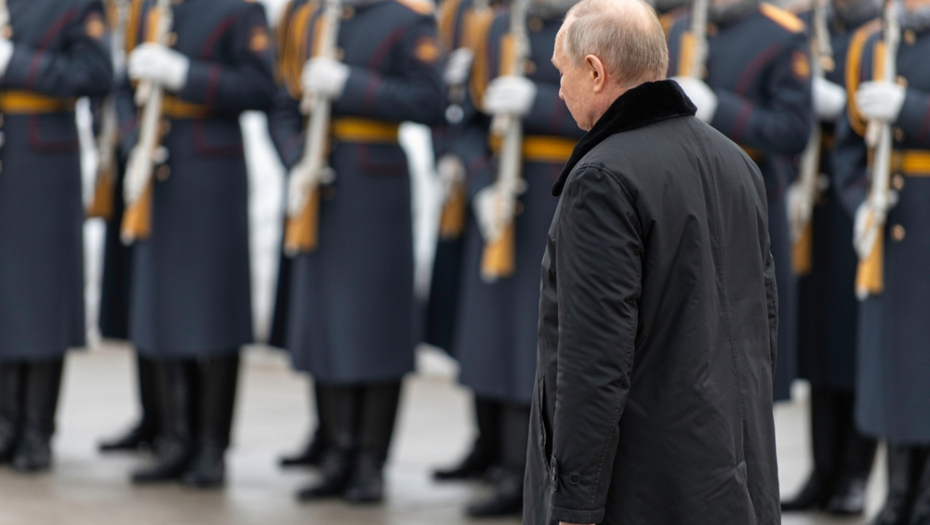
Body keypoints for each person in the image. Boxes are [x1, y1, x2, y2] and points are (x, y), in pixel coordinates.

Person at [525, 0, 782, 523]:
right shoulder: (736, 162)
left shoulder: (602, 178)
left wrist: (573, 505)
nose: (559, 89)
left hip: (643, 488)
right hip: (733, 477)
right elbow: (762, 330)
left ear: (595, 71)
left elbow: (594, 359)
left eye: (562, 72)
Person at [269, 0, 443, 504]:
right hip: (318, 187)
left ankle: (370, 460)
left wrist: (350, 84)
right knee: (325, 325)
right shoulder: (313, 17)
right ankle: (337, 453)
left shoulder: (407, 22)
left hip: (374, 191)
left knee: (375, 330)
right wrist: (296, 158)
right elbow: (285, 102)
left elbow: (428, 100)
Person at [118, 0, 276, 487]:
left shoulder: (239, 10)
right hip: (159, 169)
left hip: (211, 174)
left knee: (214, 315)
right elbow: (123, 88)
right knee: (165, 310)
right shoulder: (150, 6)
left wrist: (185, 74)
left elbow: (260, 87)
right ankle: (176, 438)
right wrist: (134, 142)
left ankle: (212, 445)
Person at [444, 0, 584, 516]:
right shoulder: (499, 26)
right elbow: (469, 123)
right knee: (494, 337)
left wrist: (540, 103)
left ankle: (527, 468)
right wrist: (481, 185)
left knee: (536, 339)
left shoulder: (596, 26)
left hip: (562, 191)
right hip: (502, 198)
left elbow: (615, 111)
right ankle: (497, 456)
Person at [667, 0, 813, 403]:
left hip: (749, 205)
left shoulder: (782, 34)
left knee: (745, 357)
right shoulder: (676, 27)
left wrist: (719, 108)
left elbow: (793, 131)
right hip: (684, 197)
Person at [0, 0, 112, 472]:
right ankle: (6, 423)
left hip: (42, 162)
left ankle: (37, 427)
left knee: (40, 299)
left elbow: (94, 75)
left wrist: (14, 62)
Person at [780, 0, 880, 515]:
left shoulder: (878, 33)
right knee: (819, 345)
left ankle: (856, 472)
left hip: (857, 204)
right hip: (817, 204)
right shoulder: (809, 28)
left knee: (855, 346)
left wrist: (842, 105)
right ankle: (822, 470)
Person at [833, 1, 930, 522]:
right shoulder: (869, 44)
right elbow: (849, 149)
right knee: (897, 372)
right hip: (891, 232)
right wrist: (860, 204)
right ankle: (897, 495)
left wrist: (911, 109)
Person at [94, 0, 161, 456]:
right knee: (139, 291)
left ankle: (177, 424)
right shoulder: (136, 6)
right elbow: (120, 84)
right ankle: (152, 414)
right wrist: (133, 137)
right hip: (133, 155)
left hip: (172, 158)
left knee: (166, 297)